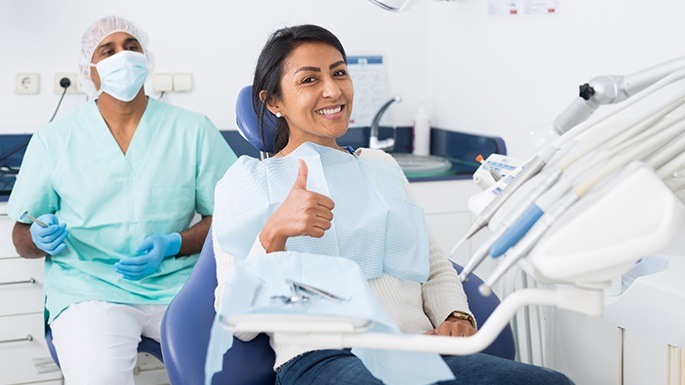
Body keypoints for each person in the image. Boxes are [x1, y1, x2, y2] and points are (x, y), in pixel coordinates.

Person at [211, 24, 574, 385]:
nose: (333, 89)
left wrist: (457, 316)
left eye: (339, 73)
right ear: (273, 102)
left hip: (417, 350)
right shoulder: (246, 183)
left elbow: (434, 265)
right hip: (324, 360)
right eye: (309, 80)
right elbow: (235, 320)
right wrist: (273, 235)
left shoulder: (381, 167)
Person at [6, 15, 236, 384]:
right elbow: (21, 233)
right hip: (90, 288)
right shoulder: (55, 139)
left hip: (178, 284)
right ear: (89, 69)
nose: (123, 57)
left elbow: (229, 217)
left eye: (132, 47)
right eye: (107, 50)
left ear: (147, 60)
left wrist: (174, 243)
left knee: (231, 371)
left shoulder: (193, 131)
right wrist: (36, 237)